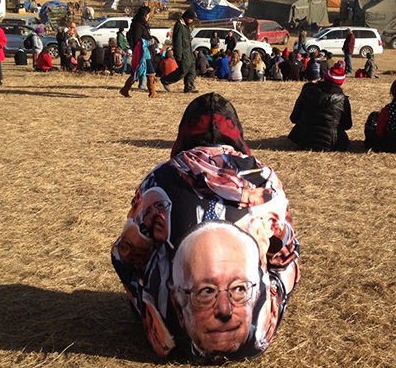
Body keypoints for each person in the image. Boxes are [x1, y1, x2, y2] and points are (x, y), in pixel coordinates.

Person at [110, 93, 299, 362]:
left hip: (172, 345)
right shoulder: (265, 180)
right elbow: (287, 255)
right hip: (254, 343)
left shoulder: (161, 178)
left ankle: (160, 317)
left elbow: (125, 256)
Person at [288, 61, 352, 151]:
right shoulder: (343, 99)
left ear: (325, 77)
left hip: (303, 140)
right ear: (341, 82)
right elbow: (347, 125)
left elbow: (294, 118)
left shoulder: (307, 91)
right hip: (331, 143)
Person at [120, 6, 158, 98]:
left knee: (148, 71)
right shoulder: (137, 25)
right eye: (148, 15)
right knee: (142, 71)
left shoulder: (143, 24)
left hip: (146, 52)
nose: (148, 16)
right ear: (144, 15)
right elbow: (138, 40)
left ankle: (151, 92)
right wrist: (149, 42)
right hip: (142, 52)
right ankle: (152, 92)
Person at [172, 9, 198, 93]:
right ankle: (166, 80)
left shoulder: (186, 25)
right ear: (187, 17)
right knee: (183, 70)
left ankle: (189, 87)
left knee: (192, 69)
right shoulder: (179, 25)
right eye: (191, 18)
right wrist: (178, 55)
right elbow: (177, 41)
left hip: (189, 51)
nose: (192, 20)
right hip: (183, 52)